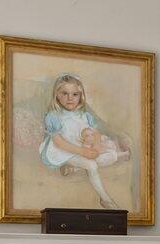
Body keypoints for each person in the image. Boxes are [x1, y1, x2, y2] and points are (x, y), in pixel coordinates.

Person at [38, 73, 128, 209]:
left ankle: (74, 168)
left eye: (75, 94)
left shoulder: (85, 115)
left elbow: (96, 134)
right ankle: (105, 199)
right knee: (91, 165)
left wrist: (96, 149)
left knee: (106, 154)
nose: (70, 98)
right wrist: (84, 152)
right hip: (64, 150)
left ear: (80, 96)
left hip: (82, 147)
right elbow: (59, 143)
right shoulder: (53, 116)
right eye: (65, 93)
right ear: (57, 94)